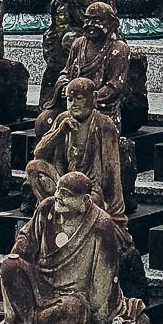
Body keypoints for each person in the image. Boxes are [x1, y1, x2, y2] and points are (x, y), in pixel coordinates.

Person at [0, 170, 147, 324]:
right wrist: (10, 273)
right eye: (58, 190)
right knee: (9, 264)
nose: (58, 197)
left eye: (65, 194)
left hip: (72, 295)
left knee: (70, 309)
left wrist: (102, 313)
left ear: (84, 201)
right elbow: (26, 240)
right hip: (40, 282)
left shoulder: (101, 225)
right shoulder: (46, 207)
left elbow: (103, 276)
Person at [25, 77, 125, 219]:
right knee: (34, 167)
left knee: (88, 202)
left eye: (79, 99)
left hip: (87, 189)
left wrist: (113, 210)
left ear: (94, 98)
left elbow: (111, 170)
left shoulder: (103, 124)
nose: (74, 105)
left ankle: (62, 211)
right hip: (62, 183)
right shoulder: (62, 119)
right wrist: (59, 132)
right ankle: (52, 215)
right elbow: (39, 152)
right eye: (70, 100)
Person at [39, 2, 129, 134]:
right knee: (44, 121)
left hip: (98, 108)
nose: (90, 24)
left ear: (111, 23)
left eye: (97, 20)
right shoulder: (78, 44)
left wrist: (87, 99)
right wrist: (64, 86)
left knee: (90, 129)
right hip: (72, 104)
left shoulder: (118, 49)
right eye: (88, 19)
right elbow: (66, 73)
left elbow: (114, 87)